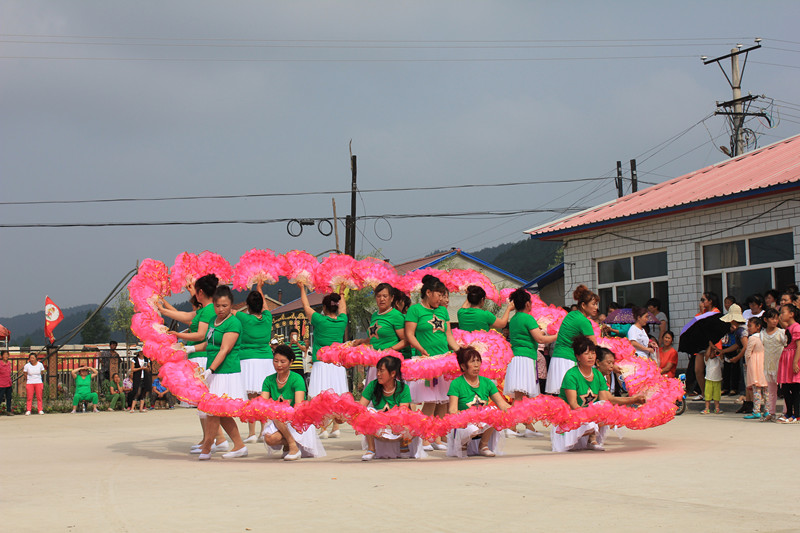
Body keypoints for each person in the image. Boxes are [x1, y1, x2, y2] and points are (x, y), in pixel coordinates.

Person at [165, 274, 227, 452]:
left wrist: (178, 335)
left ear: (200, 292)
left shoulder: (208, 310)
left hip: (201, 356)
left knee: (204, 401)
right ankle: (211, 438)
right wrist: (160, 307)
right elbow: (185, 316)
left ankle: (216, 439)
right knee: (201, 403)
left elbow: (200, 335)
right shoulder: (205, 309)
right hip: (197, 355)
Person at [186, 285, 248, 459]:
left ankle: (208, 445)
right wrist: (189, 350)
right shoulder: (213, 319)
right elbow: (208, 344)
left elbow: (224, 349)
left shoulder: (234, 323)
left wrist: (210, 370)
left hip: (226, 371)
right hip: (213, 370)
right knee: (216, 411)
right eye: (218, 305)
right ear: (213, 304)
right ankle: (238, 445)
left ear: (231, 305)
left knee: (215, 410)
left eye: (225, 306)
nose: (221, 309)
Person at [552, 336, 644, 452]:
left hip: (588, 420)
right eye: (586, 354)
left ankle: (592, 440)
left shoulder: (598, 375)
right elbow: (573, 404)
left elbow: (606, 400)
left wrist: (633, 400)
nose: (590, 357)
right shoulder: (571, 375)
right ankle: (586, 436)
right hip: (571, 419)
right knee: (595, 412)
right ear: (578, 357)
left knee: (604, 406)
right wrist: (588, 416)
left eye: (593, 353)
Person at [404, 274, 461, 451]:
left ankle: (437, 436)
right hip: (426, 362)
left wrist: (460, 351)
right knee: (429, 401)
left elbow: (449, 335)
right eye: (439, 294)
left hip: (443, 361)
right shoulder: (415, 310)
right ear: (428, 292)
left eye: (443, 294)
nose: (442, 298)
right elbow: (410, 334)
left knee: (443, 401)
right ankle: (424, 437)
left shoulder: (443, 311)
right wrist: (421, 349)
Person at [504, 288, 557, 437]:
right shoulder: (528, 318)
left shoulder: (514, 318)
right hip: (524, 358)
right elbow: (540, 339)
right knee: (520, 395)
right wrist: (556, 336)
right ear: (527, 304)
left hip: (518, 357)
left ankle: (528, 426)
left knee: (521, 395)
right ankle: (512, 426)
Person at [299, 282, 348, 438]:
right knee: (337, 395)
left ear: (325, 308)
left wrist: (302, 288)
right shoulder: (342, 321)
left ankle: (323, 428)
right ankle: (336, 428)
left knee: (321, 396)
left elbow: (306, 307)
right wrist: (341, 293)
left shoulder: (320, 320)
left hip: (321, 363)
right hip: (338, 364)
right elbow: (344, 309)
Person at [261, 344, 325, 461]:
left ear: (291, 362)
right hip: (279, 420)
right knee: (270, 439)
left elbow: (299, 406)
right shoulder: (269, 380)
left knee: (277, 411)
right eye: (276, 361)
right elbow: (262, 403)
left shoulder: (297, 379)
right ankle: (290, 444)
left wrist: (283, 405)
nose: (278, 365)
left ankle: (292, 446)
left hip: (297, 420)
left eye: (282, 361)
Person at [446, 347, 511, 458]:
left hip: (482, 422)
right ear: (463, 366)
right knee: (472, 428)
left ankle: (483, 445)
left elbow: (502, 405)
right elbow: (452, 409)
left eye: (478, 361)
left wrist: (521, 411)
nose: (476, 365)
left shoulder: (487, 382)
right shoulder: (456, 383)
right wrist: (462, 421)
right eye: (472, 361)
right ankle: (463, 444)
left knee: (494, 411)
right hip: (465, 424)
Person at [358, 355, 424, 460]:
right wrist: (380, 412)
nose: (378, 374)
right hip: (379, 421)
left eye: (382, 371)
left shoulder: (403, 388)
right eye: (377, 371)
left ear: (393, 373)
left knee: (411, 417)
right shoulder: (373, 386)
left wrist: (390, 413)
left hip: (397, 422)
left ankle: (403, 444)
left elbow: (403, 411)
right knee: (367, 413)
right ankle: (371, 449)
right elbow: (360, 407)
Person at [235, 282, 275, 443]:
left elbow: (227, 310)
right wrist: (259, 287)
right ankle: (263, 430)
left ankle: (251, 433)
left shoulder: (243, 317)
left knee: (250, 398)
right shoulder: (267, 317)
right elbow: (265, 305)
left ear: (247, 305)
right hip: (266, 360)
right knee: (263, 396)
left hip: (247, 360)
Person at [546, 284, 598, 394]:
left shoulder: (571, 314)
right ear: (583, 305)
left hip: (557, 358)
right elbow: (594, 345)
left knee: (561, 399)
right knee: (573, 398)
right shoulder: (583, 321)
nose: (596, 307)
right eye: (593, 304)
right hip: (568, 360)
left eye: (596, 304)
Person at [353, 283, 407, 383]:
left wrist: (390, 349)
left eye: (385, 296)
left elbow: (406, 340)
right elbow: (376, 337)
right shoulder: (374, 316)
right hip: (374, 363)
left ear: (391, 298)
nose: (381, 299)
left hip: (390, 364)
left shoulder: (396, 315)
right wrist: (362, 341)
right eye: (378, 296)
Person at [687, 291, 721, 400]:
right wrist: (702, 313)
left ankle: (712, 395)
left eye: (703, 300)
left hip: (712, 344)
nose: (701, 302)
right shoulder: (702, 313)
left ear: (710, 301)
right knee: (698, 370)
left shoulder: (716, 312)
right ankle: (703, 392)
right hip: (701, 345)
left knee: (711, 371)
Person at [760, 308, 786, 422]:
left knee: (785, 390)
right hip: (769, 365)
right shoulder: (762, 334)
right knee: (771, 391)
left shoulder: (781, 332)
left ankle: (786, 412)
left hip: (781, 364)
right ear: (766, 319)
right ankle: (771, 412)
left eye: (776, 318)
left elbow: (786, 346)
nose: (775, 321)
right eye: (772, 318)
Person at [777, 304, 800, 423]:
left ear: (791, 314)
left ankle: (796, 414)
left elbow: (799, 346)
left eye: (783, 312)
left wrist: (795, 362)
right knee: (785, 387)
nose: (781, 315)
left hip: (792, 358)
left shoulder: (797, 327)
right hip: (786, 358)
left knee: (795, 388)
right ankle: (789, 412)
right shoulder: (788, 328)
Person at [743, 317, 768, 419]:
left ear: (758, 326)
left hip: (754, 364)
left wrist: (747, 363)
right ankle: (767, 410)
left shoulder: (752, 338)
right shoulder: (765, 336)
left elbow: (748, 353)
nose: (748, 328)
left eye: (750, 326)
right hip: (765, 363)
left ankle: (756, 410)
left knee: (756, 389)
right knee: (766, 389)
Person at [702, 342, 723, 415]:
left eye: (713, 352)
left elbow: (721, 355)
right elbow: (707, 355)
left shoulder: (718, 360)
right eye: (710, 352)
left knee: (717, 395)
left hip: (717, 380)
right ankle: (707, 408)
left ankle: (717, 408)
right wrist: (710, 347)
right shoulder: (707, 360)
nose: (712, 353)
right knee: (707, 395)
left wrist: (716, 349)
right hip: (709, 379)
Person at [0, 350, 13, 415]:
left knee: (9, 398)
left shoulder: (9, 363)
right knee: (0, 398)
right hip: (1, 384)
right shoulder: (0, 363)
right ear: (1, 356)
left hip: (8, 383)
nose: (6, 356)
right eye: (4, 355)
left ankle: (8, 411)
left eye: (7, 355)